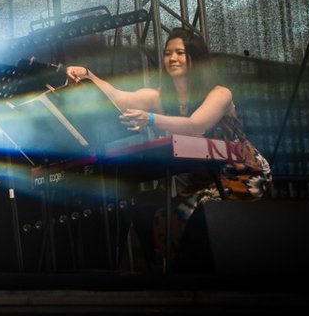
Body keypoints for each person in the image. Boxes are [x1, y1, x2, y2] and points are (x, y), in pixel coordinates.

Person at [65, 27, 271, 242]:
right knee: (150, 210)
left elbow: (195, 125)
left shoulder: (219, 93)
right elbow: (117, 96)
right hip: (202, 182)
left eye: (180, 53)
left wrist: (151, 119)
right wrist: (87, 74)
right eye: (167, 53)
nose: (172, 58)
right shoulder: (159, 97)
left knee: (191, 214)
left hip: (242, 175)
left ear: (196, 57)